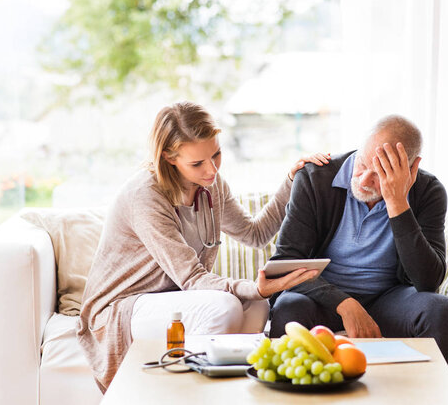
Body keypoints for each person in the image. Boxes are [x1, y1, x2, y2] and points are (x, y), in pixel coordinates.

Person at [77, 101, 330, 392]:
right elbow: (193, 279)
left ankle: (232, 393)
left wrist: (291, 181)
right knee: (222, 306)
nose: (211, 170)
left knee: (257, 306)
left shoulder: (210, 183)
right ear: (169, 158)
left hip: (174, 299)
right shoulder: (145, 196)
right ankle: (196, 395)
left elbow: (255, 234)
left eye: (217, 155)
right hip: (121, 308)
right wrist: (255, 287)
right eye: (197, 163)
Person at [269, 114, 448, 371]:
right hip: (324, 298)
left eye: (380, 173)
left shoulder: (428, 192)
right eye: (362, 164)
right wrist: (344, 304)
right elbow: (287, 262)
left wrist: (397, 203)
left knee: (439, 309)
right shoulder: (315, 178)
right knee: (289, 306)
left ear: (410, 169)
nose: (364, 180)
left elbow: (427, 281)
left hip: (388, 298)